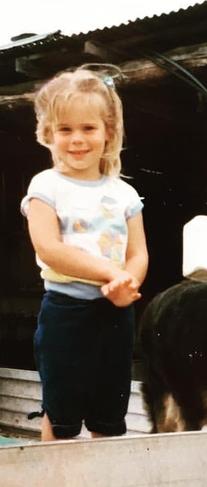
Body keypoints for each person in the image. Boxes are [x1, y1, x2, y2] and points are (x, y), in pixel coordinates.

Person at [20, 65, 148, 441]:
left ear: (108, 132)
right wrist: (112, 274)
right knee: (61, 414)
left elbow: (138, 253)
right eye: (65, 129)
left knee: (108, 416)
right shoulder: (45, 186)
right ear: (48, 134)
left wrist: (128, 284)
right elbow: (50, 249)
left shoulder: (124, 193)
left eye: (88, 128)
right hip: (65, 313)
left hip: (115, 314)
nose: (77, 139)